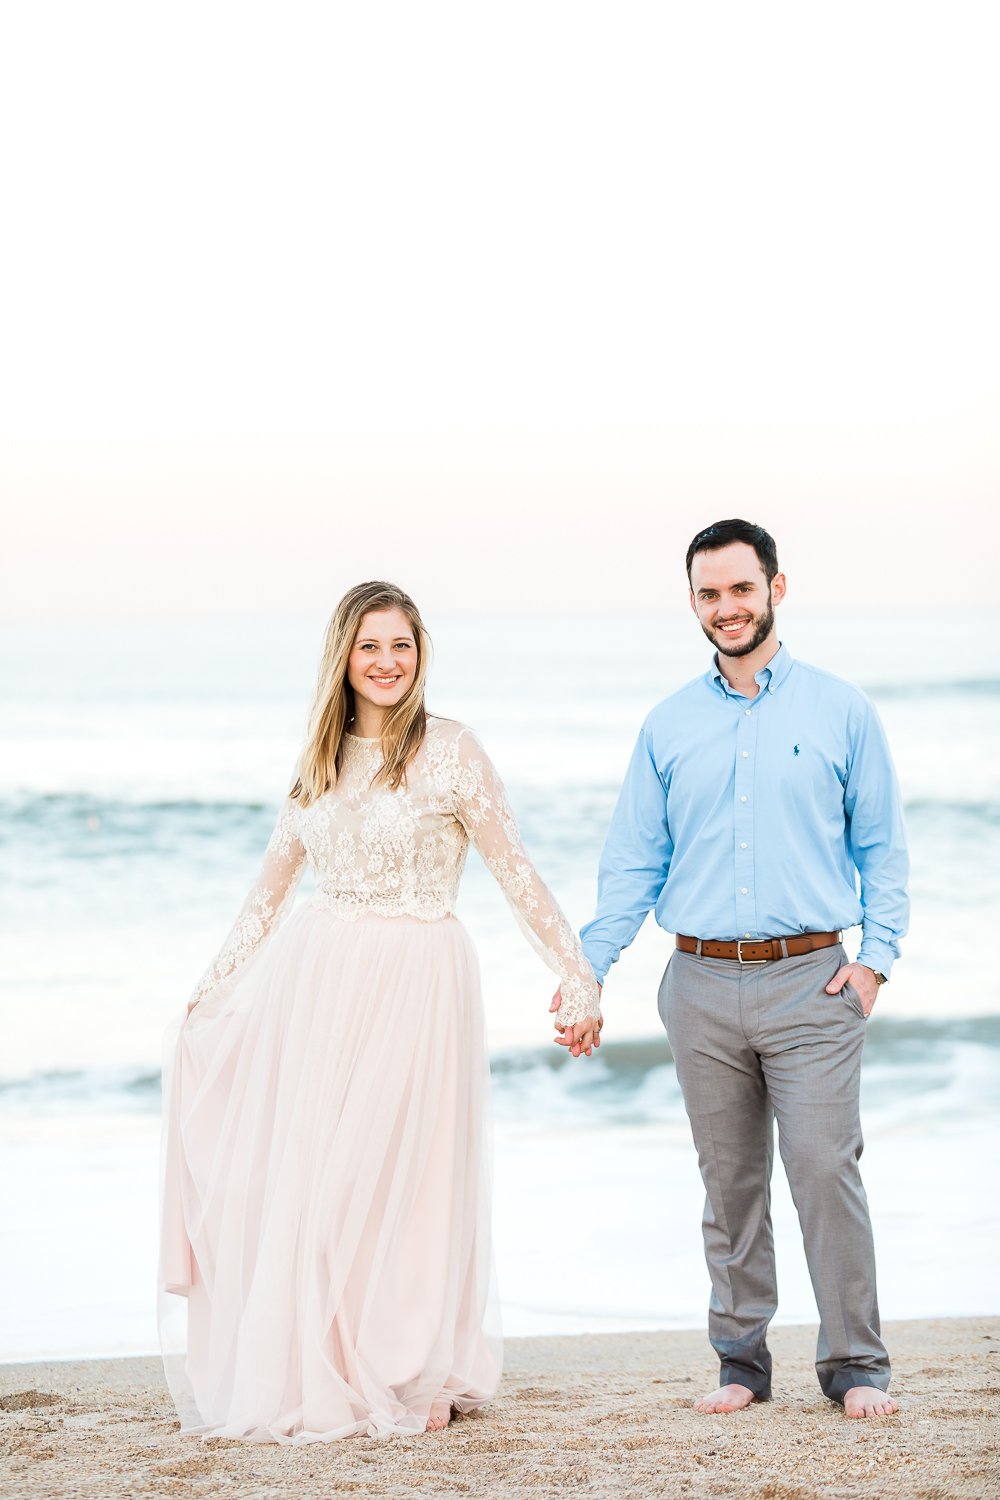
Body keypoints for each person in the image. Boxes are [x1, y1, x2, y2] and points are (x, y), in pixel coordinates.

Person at [158, 581, 601, 1443]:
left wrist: (576, 975)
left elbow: (516, 872)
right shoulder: (318, 760)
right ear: (344, 658)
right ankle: (340, 1359)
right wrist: (210, 989)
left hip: (420, 975)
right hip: (320, 986)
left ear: (420, 652)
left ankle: (419, 1366)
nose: (387, 662)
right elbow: (269, 892)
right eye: (370, 646)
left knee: (415, 1177)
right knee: (326, 1183)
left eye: (401, 645)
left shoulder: (452, 750)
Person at [555, 519, 908, 1420]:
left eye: (741, 590)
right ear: (693, 604)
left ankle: (855, 1366)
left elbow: (882, 848)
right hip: (701, 985)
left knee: (826, 1170)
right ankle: (742, 1363)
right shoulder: (667, 725)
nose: (726, 608)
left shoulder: (840, 709)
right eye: (709, 595)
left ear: (776, 589)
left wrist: (874, 964)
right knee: (730, 1182)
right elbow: (633, 864)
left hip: (812, 982)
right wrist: (588, 972)